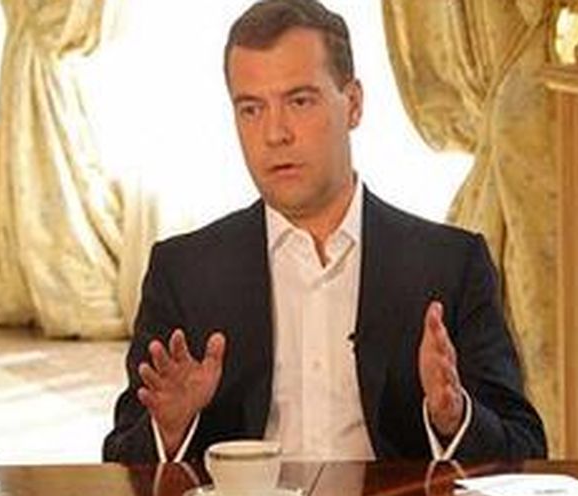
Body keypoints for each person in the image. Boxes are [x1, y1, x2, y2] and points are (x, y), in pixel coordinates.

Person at [103, 0, 546, 464]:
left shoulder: (449, 265)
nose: (275, 133)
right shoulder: (184, 272)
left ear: (353, 104)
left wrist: (454, 419)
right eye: (251, 109)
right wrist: (169, 430)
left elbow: (525, 447)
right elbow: (121, 459)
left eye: (299, 101)